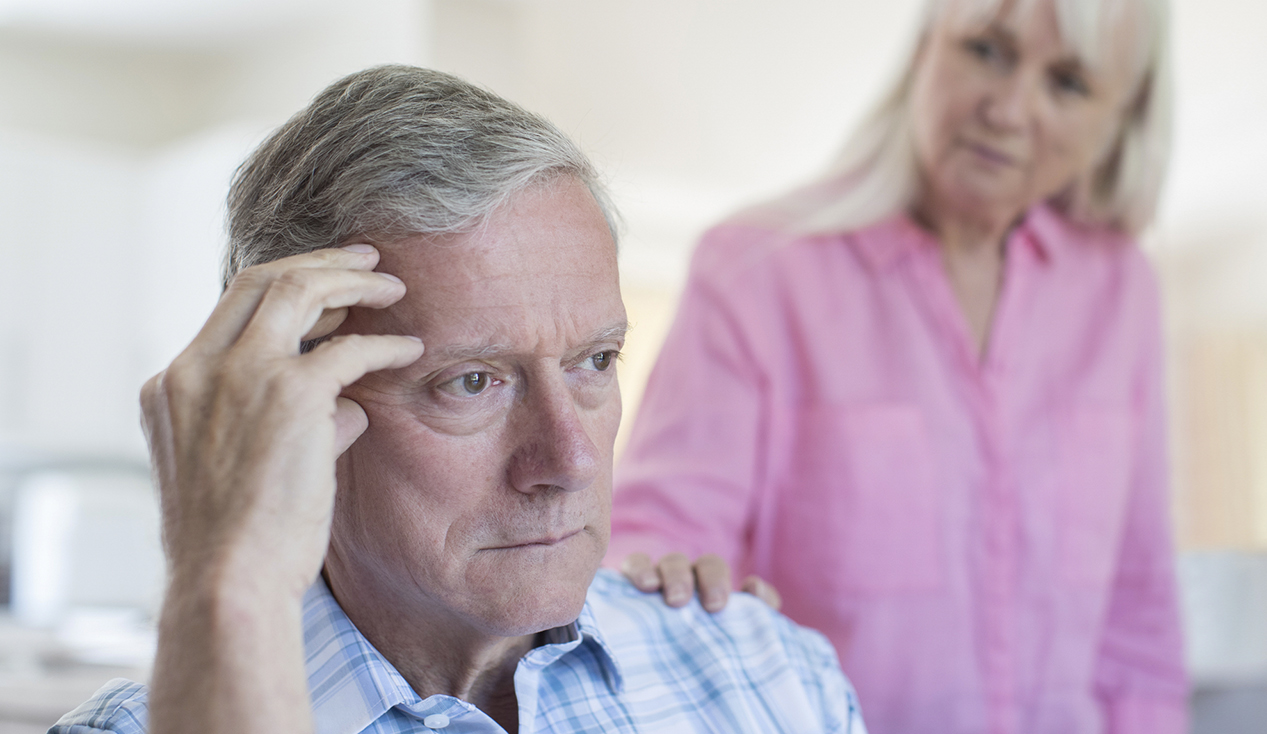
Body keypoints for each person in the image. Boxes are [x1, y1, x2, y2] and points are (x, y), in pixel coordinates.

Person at [51, 65, 864, 734]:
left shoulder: (771, 677)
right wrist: (226, 578)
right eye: (471, 382)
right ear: (292, 412)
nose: (568, 460)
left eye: (595, 361)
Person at [607, 0, 1188, 731]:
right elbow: (657, 547)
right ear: (927, 46)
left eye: (1068, 83)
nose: (1007, 111)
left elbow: (1140, 620)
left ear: (1118, 119)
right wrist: (661, 574)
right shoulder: (753, 269)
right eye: (987, 49)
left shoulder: (1121, 289)